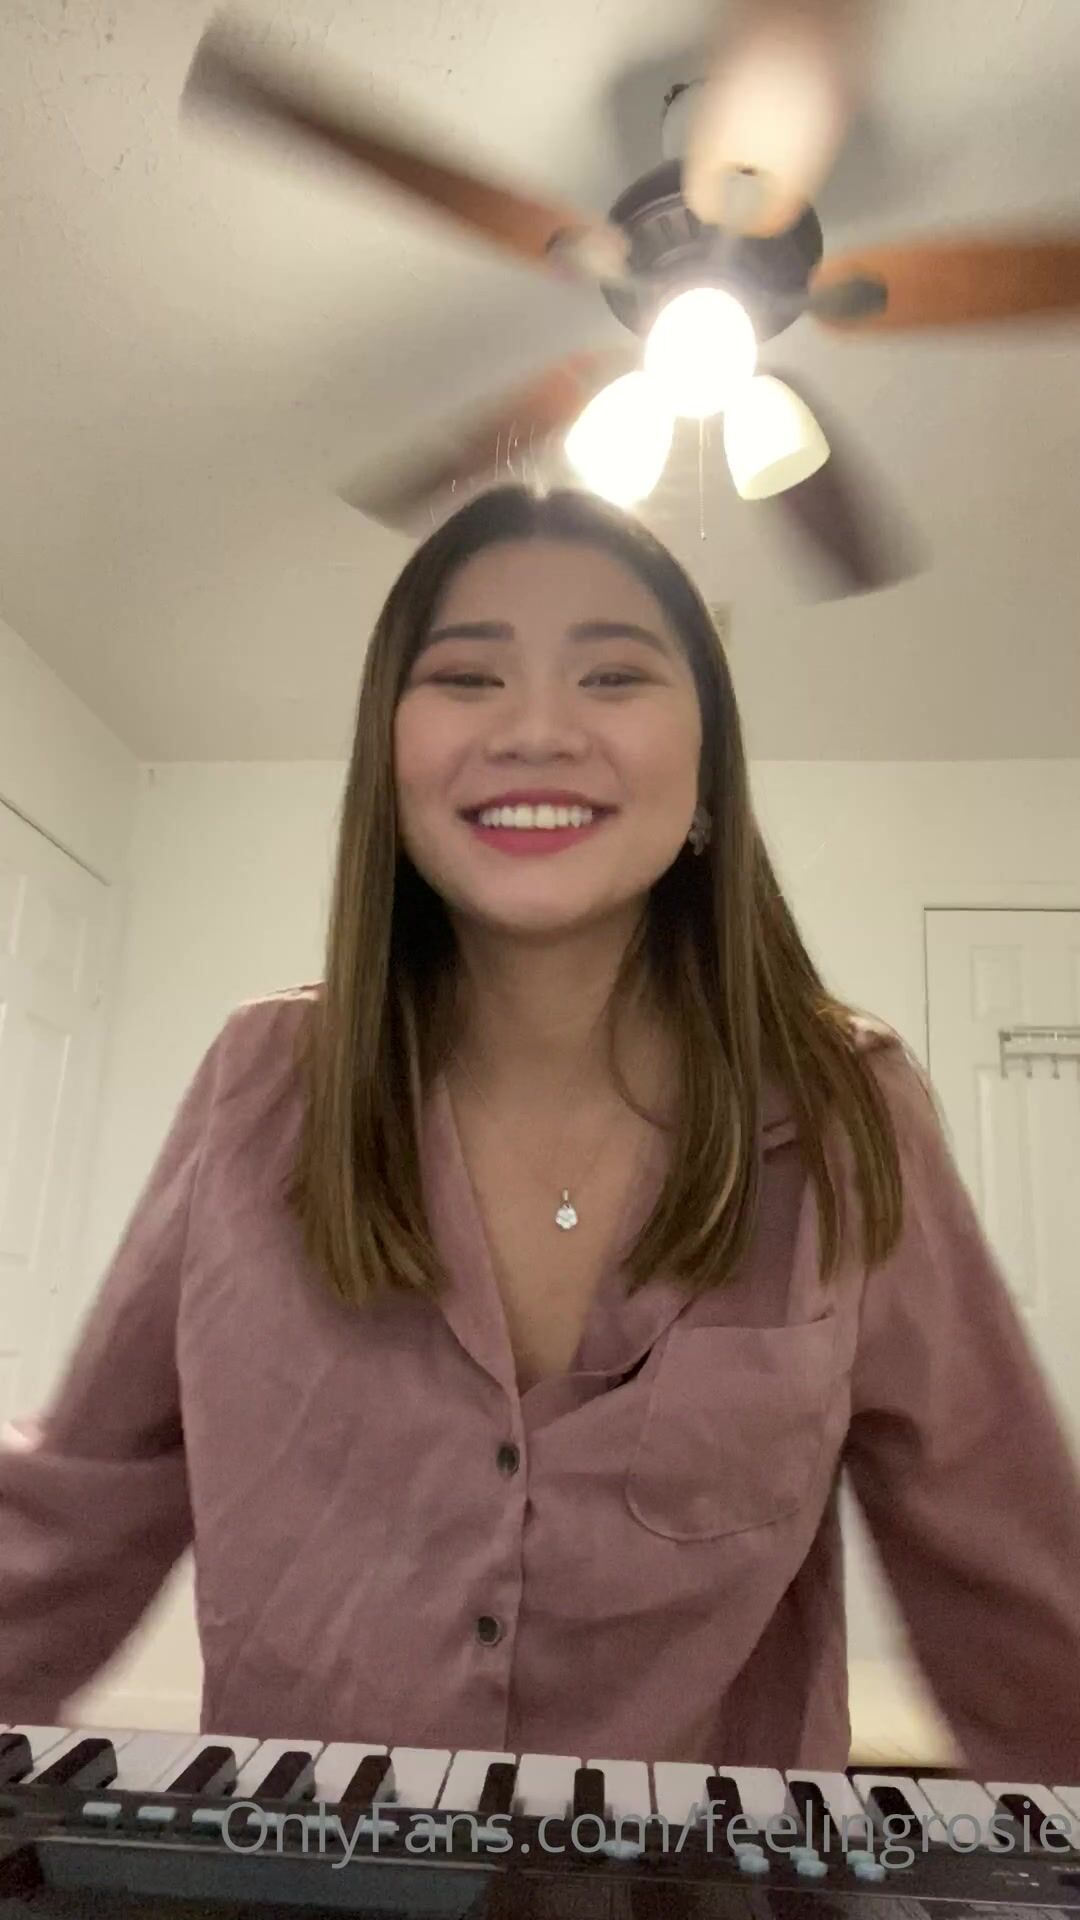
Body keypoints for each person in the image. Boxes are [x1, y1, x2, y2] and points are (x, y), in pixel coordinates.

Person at [1, 483, 1078, 1779]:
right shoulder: (260, 1085)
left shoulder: (849, 1112)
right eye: (467, 677)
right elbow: (63, 1523)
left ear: (707, 776)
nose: (536, 730)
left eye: (614, 675)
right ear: (389, 764)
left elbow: (1017, 1589)